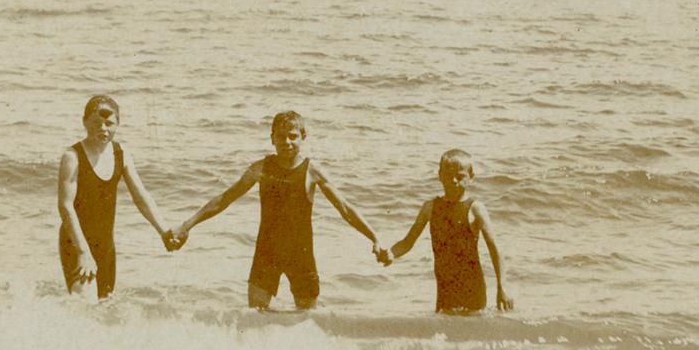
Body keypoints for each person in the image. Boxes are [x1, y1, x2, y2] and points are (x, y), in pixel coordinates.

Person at [167, 111, 383, 310]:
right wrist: (187, 226)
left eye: (292, 136)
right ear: (272, 138)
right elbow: (225, 199)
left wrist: (374, 237)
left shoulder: (312, 171)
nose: (286, 142)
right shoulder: (261, 168)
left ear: (303, 137)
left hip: (301, 254)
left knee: (308, 321)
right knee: (255, 320)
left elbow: (345, 208)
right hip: (267, 253)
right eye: (281, 136)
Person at [57, 95, 175, 298]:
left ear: (118, 124)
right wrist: (84, 252)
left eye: (109, 123)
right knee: (86, 307)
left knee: (104, 310)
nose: (103, 129)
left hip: (106, 246)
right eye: (96, 123)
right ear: (84, 122)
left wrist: (163, 230)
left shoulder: (121, 154)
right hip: (76, 243)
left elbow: (141, 197)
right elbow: (65, 207)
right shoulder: (73, 157)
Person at [379, 149, 512, 313]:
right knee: (445, 329)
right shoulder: (430, 208)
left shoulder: (476, 209)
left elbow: (495, 249)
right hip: (445, 289)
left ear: (471, 177)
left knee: (472, 331)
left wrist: (502, 287)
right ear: (439, 176)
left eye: (460, 176)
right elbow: (408, 242)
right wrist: (392, 253)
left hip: (473, 288)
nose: (454, 180)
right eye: (448, 175)